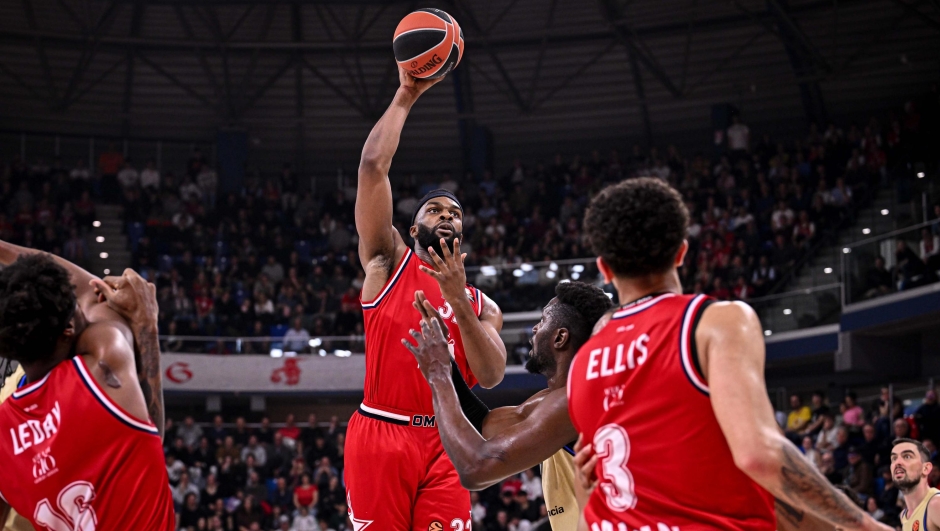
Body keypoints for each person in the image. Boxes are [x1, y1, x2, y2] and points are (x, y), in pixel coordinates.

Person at [567, 178, 890, 530]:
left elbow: (590, 500)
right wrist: (866, 526)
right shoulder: (714, 322)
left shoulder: (582, 364)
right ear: (682, 252)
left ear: (605, 268)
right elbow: (759, 455)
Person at [346, 65, 507, 531]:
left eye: (455, 213)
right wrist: (406, 94)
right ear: (413, 229)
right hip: (382, 431)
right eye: (435, 209)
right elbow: (372, 167)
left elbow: (493, 375)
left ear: (461, 232)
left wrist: (458, 301)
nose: (447, 216)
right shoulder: (386, 262)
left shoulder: (481, 304)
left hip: (448, 437)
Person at [403, 282, 613, 531]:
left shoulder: (576, 400)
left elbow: (475, 467)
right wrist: (447, 358)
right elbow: (483, 424)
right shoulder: (551, 401)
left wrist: (438, 374)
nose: (535, 328)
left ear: (560, 337)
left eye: (543, 320)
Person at [0, 257, 174, 529]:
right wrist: (147, 325)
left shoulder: (3, 434)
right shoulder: (103, 361)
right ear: (68, 328)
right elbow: (89, 287)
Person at [892, 438, 940, 530]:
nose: (897, 462)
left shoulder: (936, 504)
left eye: (907, 456)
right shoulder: (904, 515)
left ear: (925, 468)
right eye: (894, 458)